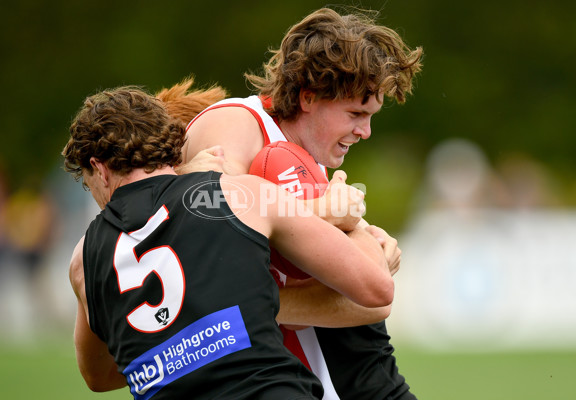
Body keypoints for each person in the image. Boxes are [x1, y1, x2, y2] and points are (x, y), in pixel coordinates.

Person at [63, 86, 395, 399]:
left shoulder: (83, 258)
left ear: (99, 169)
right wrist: (354, 223)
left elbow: (99, 376)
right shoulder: (237, 193)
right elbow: (377, 290)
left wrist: (178, 348)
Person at [181, 7, 423, 400]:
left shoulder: (307, 161)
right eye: (356, 114)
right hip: (242, 377)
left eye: (371, 116)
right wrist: (323, 216)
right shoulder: (238, 124)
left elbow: (373, 303)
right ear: (309, 97)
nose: (365, 131)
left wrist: (362, 239)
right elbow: (202, 219)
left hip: (297, 371)